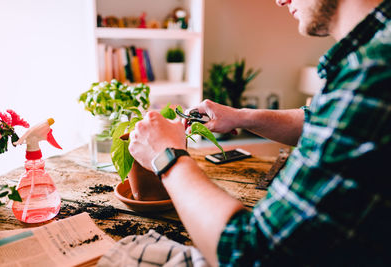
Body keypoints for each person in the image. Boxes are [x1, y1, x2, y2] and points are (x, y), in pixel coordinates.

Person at [129, 0, 391, 265]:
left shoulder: (372, 71)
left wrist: (166, 157)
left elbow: (251, 252)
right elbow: (323, 120)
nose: (279, 0)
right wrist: (242, 117)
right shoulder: (372, 53)